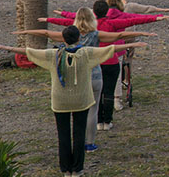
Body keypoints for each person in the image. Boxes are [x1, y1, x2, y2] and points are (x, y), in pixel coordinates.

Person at [0, 27, 147, 177]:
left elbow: (29, 52)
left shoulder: (53, 55)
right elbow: (111, 49)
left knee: (63, 135)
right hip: (81, 100)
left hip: (60, 101)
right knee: (79, 135)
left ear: (63, 39)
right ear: (78, 38)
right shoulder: (86, 53)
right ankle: (77, 169)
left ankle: (66, 169)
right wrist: (133, 44)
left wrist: (6, 47)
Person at [15, 11, 155, 152]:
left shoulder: (69, 35)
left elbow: (46, 33)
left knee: (77, 111)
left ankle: (75, 143)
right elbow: (119, 35)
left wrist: (26, 31)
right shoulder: (96, 34)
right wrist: (142, 34)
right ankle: (89, 143)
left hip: (75, 77)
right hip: (94, 75)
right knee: (92, 110)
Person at [45, 0, 166, 131]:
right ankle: (107, 121)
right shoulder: (110, 23)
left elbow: (67, 21)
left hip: (95, 63)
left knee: (96, 93)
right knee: (109, 92)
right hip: (111, 60)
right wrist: (156, 19)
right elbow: (133, 21)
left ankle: (98, 121)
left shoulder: (85, 27)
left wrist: (51, 17)